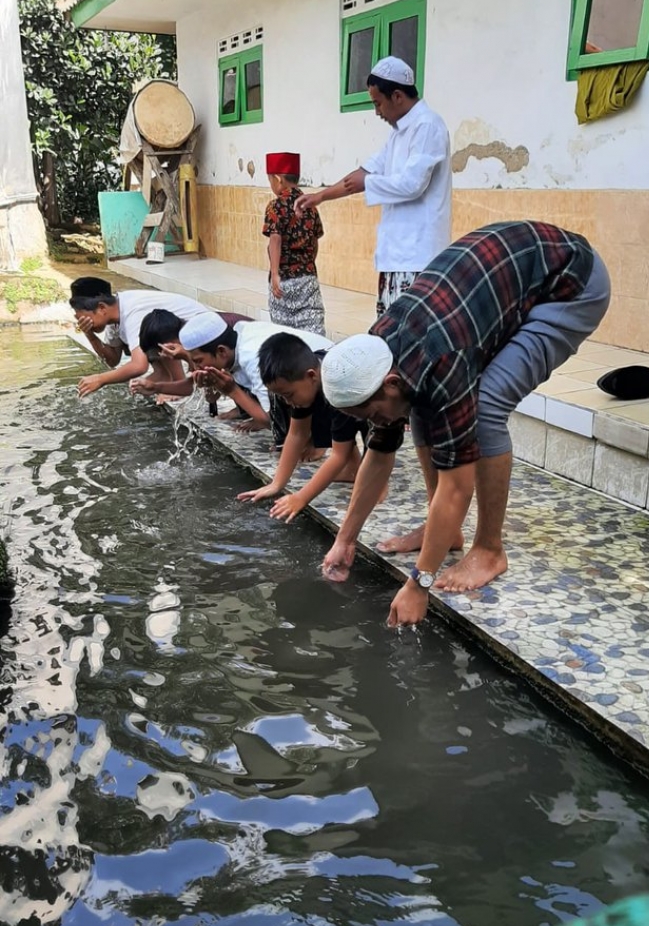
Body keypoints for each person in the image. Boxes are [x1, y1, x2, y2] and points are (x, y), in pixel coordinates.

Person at [318, 221, 611, 627]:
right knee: (416, 406)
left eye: (372, 415)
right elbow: (380, 451)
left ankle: (490, 549)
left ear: (388, 383)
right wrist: (345, 539)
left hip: (571, 284)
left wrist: (419, 584)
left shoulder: (443, 358)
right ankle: (447, 533)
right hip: (506, 277)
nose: (377, 424)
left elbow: (458, 485)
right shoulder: (377, 364)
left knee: (486, 405)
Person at [295, 56, 451, 317]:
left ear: (398, 96)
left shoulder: (428, 126)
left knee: (411, 334)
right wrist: (320, 197)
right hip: (397, 253)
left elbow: (413, 184)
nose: (377, 112)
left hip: (419, 255)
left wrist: (367, 182)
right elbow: (363, 173)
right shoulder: (399, 133)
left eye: (378, 103)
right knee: (389, 332)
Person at [237, 333, 366, 521]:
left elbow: (339, 454)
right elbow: (297, 433)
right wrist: (277, 484)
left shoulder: (339, 389)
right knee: (332, 424)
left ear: (311, 376)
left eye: (288, 394)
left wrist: (301, 498)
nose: (287, 402)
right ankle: (354, 469)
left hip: (364, 388)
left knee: (368, 430)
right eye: (282, 396)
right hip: (331, 384)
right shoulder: (304, 384)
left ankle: (377, 483)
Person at [178, 313, 332, 436]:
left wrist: (233, 391)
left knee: (283, 425)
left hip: (324, 371)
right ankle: (247, 409)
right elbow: (211, 399)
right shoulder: (237, 337)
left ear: (221, 351)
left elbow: (273, 421)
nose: (197, 367)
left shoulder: (254, 357)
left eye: (198, 361)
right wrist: (210, 384)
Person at [69, 280, 215, 397]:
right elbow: (112, 360)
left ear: (101, 308)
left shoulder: (133, 313)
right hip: (185, 339)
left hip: (205, 335)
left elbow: (139, 366)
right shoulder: (114, 316)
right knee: (132, 391)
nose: (81, 321)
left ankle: (176, 381)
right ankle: (164, 376)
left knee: (156, 332)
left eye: (82, 317)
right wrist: (89, 333)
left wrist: (100, 379)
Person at [128, 308, 252, 402]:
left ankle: (247, 410)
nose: (165, 356)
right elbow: (203, 389)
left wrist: (187, 356)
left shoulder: (202, 336)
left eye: (163, 351)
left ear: (169, 344)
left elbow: (210, 393)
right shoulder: (192, 336)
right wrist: (155, 387)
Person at [264, 152, 326, 335]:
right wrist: (308, 265)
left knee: (285, 333)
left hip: (283, 279)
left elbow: (275, 239)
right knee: (312, 329)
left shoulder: (275, 206)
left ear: (278, 179)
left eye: (270, 180)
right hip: (307, 278)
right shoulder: (310, 206)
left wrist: (275, 273)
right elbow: (314, 242)